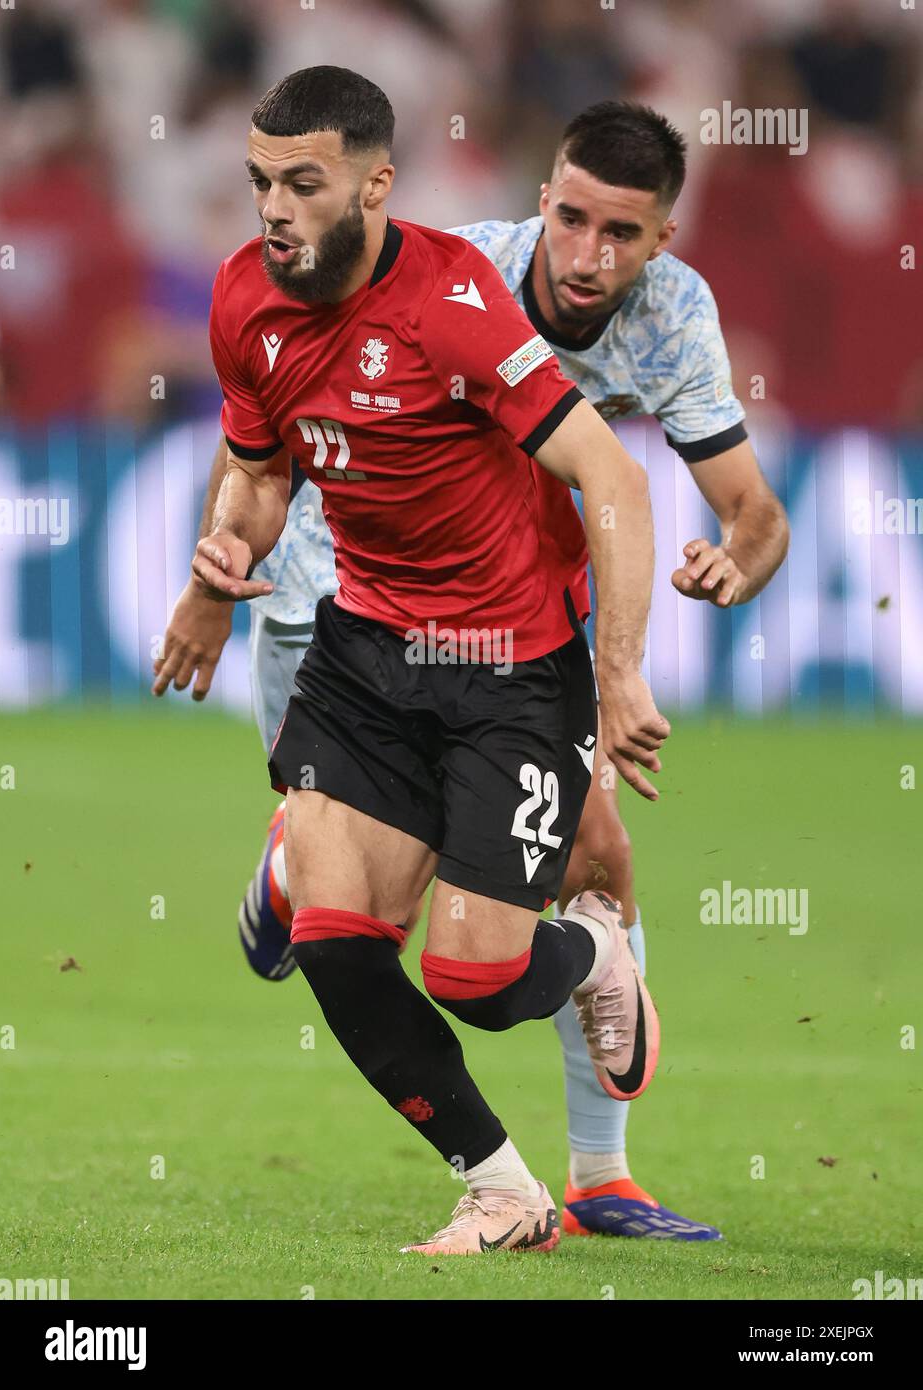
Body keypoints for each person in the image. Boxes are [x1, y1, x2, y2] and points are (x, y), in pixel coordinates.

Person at [157, 98, 789, 1242]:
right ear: (541, 198)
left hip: (508, 638)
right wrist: (214, 576)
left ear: (661, 244)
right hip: (324, 610)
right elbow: (259, 446)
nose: (586, 255)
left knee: (518, 927)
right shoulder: (367, 277)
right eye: (570, 218)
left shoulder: (493, 303)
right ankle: (508, 1180)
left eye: (621, 234)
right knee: (341, 941)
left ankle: (600, 1150)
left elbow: (699, 500)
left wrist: (648, 644)